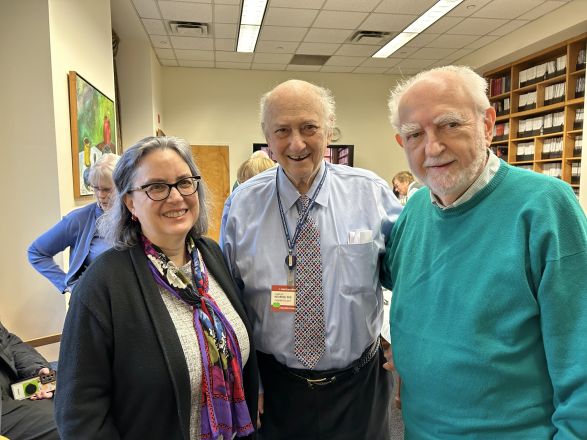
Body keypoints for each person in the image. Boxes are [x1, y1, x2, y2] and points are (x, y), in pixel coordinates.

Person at [382, 65, 587, 438]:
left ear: (488, 123)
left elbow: (580, 354)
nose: (432, 147)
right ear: (402, 144)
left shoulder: (543, 207)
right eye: (415, 134)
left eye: (449, 125)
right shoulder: (413, 212)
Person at [220, 79, 402, 439]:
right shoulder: (242, 206)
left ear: (330, 130)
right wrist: (246, 377)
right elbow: (229, 303)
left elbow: (409, 277)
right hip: (274, 389)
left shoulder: (372, 194)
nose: (296, 143)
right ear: (267, 138)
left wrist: (405, 339)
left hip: (359, 386)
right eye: (282, 131)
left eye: (309, 128)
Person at [54, 137, 258, 439]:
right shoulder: (103, 285)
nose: (176, 197)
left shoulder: (211, 255)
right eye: (157, 187)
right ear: (130, 202)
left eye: (184, 182)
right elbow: (79, 414)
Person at [28, 153, 120, 294]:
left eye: (107, 189)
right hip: (92, 306)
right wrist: (71, 287)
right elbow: (36, 252)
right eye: (96, 188)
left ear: (122, 185)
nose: (100, 195)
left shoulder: (137, 216)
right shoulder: (78, 219)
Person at [0, 321, 59, 440]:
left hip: (14, 386)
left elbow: (9, 342)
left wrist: (36, 370)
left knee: (78, 398)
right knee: (71, 424)